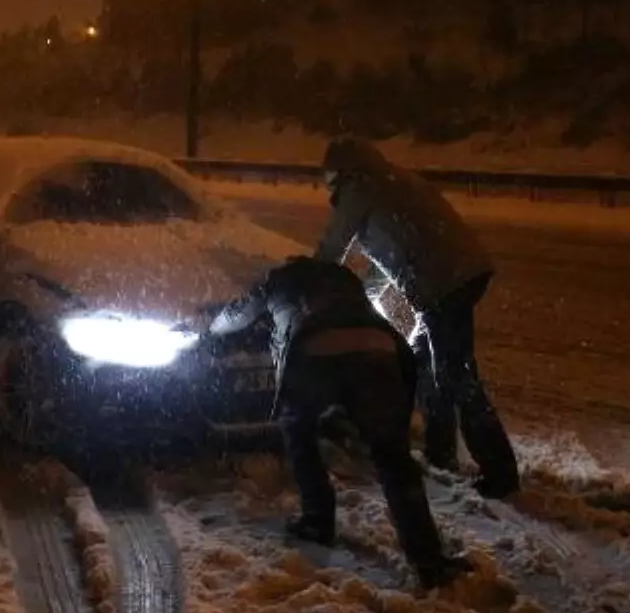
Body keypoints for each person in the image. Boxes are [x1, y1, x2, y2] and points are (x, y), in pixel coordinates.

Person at [210, 256, 472, 590]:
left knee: (298, 429)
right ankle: (428, 560)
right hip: (378, 348)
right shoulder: (343, 276)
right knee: (393, 457)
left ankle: (317, 520)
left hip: (315, 349)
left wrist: (208, 328)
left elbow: (237, 316)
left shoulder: (278, 279)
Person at [314, 136, 520, 500]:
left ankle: (500, 473)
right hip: (461, 273)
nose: (330, 188)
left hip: (444, 283)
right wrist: (365, 302)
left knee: (457, 376)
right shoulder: (393, 180)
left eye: (330, 179)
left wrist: (309, 286)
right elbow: (391, 257)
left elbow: (333, 247)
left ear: (342, 173)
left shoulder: (361, 187)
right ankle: (440, 453)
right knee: (424, 359)